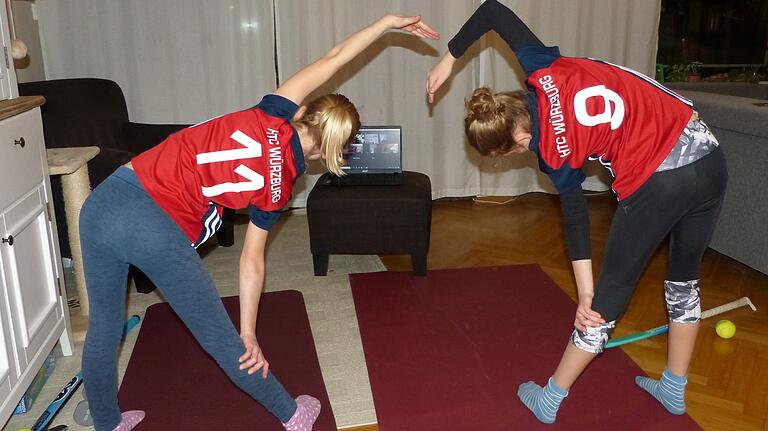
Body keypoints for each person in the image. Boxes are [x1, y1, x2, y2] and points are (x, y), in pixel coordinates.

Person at [80, 14, 438, 431]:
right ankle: (292, 415)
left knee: (104, 327)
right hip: (153, 227)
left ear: (302, 112)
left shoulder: (272, 110)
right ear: (326, 154)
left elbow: (336, 57)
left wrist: (387, 23)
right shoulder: (278, 188)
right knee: (222, 339)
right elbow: (251, 261)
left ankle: (106, 421)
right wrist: (248, 332)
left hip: (105, 200)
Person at [425, 0, 726, 424]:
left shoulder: (552, 151)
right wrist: (449, 60)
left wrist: (587, 296)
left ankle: (551, 397)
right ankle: (674, 387)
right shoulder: (543, 67)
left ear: (515, 140)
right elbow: (492, 10)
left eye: (510, 152)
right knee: (684, 280)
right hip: (708, 156)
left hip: (659, 179)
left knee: (606, 302)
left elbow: (575, 217)